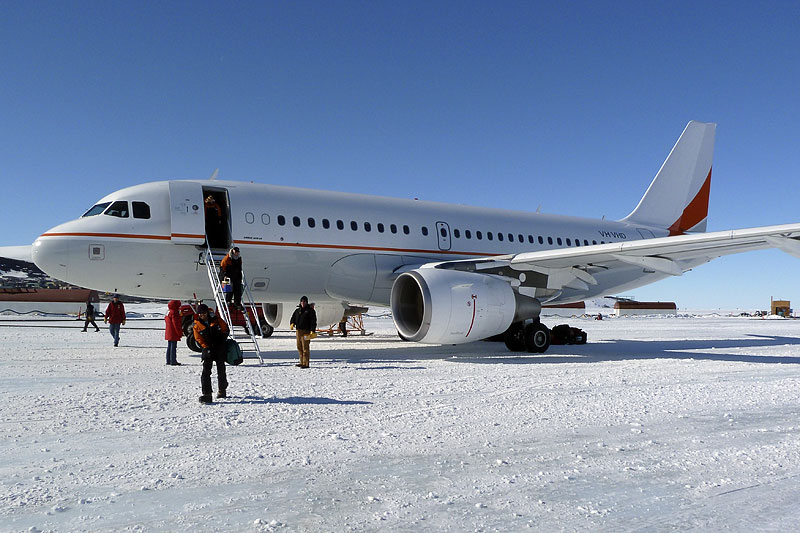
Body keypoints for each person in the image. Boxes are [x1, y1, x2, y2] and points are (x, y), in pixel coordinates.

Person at [193, 303, 230, 403]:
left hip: (219, 348)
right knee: (206, 372)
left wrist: (222, 339)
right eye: (200, 313)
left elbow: (225, 329)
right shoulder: (197, 325)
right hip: (208, 349)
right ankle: (207, 394)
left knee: (221, 370)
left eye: (204, 313)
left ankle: (222, 390)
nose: (202, 315)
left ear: (207, 312)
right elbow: (198, 339)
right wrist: (206, 348)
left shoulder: (216, 320)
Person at [290, 296, 316, 368]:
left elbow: (313, 321)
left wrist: (312, 330)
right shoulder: (297, 311)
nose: (303, 303)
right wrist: (292, 323)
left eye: (304, 302)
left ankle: (306, 363)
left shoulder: (310, 311)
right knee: (299, 347)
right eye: (302, 301)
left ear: (306, 302)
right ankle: (301, 362)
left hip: (306, 331)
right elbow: (293, 318)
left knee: (305, 348)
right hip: (298, 331)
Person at [164, 300, 183, 366]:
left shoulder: (168, 311)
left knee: (169, 346)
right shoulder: (175, 312)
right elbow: (176, 323)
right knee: (173, 347)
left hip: (169, 331)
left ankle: (168, 360)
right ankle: (173, 360)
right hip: (173, 332)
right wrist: (179, 332)